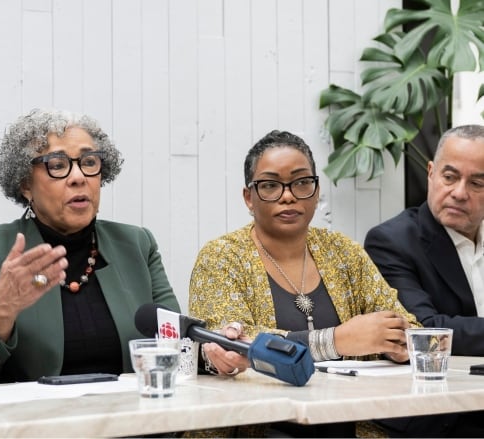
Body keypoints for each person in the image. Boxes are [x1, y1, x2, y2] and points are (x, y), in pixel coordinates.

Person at [187, 130, 419, 437]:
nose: (288, 195)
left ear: (316, 189)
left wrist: (399, 346)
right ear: (249, 198)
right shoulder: (222, 256)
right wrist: (336, 340)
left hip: (350, 427)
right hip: (259, 428)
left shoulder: (343, 252)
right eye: (270, 185)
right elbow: (234, 344)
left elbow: (408, 328)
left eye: (301, 183)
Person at [0, 108, 180, 386]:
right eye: (57, 164)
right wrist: (0, 312)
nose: (78, 177)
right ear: (25, 185)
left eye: (89, 162)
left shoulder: (137, 244)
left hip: (133, 422)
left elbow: (178, 342)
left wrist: (214, 352)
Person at [364, 124, 484, 437]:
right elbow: (424, 331)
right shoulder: (391, 241)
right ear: (430, 173)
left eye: (477, 182)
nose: (459, 192)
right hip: (435, 415)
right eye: (450, 176)